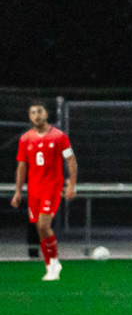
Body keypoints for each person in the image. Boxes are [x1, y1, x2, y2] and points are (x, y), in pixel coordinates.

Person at [12, 101, 77, 281]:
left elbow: (71, 160)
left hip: (52, 187)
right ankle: (51, 265)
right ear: (29, 117)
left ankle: (54, 262)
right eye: (33, 113)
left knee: (43, 225)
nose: (37, 115)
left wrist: (72, 183)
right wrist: (18, 191)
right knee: (39, 229)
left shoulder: (58, 137)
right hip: (34, 189)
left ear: (46, 114)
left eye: (39, 112)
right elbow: (22, 166)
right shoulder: (25, 139)